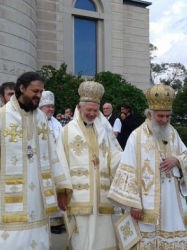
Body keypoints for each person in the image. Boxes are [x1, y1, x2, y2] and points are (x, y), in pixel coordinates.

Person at [0, 72, 72, 250]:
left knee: (37, 239)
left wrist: (61, 187)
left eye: (41, 91)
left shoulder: (40, 118)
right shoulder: (1, 116)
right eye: (35, 91)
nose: (39, 95)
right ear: (22, 88)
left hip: (38, 194)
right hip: (9, 193)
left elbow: (51, 154)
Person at [108, 84, 187, 249]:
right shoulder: (136, 136)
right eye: (161, 116)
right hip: (146, 203)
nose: (165, 120)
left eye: (168, 116)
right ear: (150, 114)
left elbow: (186, 156)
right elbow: (127, 169)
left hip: (171, 200)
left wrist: (176, 160)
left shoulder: (173, 133)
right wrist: (133, 203)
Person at [56, 81, 123, 250]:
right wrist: (62, 191)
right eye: (89, 110)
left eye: (95, 110)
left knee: (105, 238)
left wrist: (130, 160)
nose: (93, 114)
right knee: (82, 240)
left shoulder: (105, 130)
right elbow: (60, 162)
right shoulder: (67, 131)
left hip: (103, 195)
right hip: (78, 196)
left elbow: (115, 156)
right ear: (79, 108)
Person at [38, 90, 64, 234]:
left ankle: (57, 221)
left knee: (56, 191)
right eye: (48, 106)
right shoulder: (36, 121)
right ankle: (46, 220)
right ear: (41, 107)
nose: (51, 109)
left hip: (56, 163)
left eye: (52, 107)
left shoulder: (57, 123)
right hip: (42, 163)